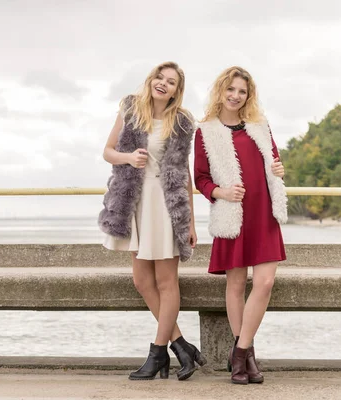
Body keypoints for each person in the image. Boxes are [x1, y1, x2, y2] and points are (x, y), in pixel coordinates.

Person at [99, 61, 204, 381]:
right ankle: (181, 346)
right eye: (160, 77)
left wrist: (191, 222)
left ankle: (158, 352)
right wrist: (128, 157)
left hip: (165, 205)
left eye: (171, 82)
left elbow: (184, 173)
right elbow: (107, 151)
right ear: (151, 80)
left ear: (176, 91)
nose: (163, 84)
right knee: (142, 281)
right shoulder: (131, 109)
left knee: (166, 281)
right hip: (134, 201)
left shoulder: (182, 122)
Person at [193, 66, 287, 385]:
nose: (235, 96)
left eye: (242, 91)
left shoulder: (260, 126)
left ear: (249, 95)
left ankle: (241, 350)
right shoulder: (205, 130)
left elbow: (273, 164)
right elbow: (201, 180)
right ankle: (245, 359)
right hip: (234, 213)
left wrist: (278, 168)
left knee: (264, 283)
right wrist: (222, 192)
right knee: (235, 285)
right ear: (221, 90)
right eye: (230, 89)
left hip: (264, 213)